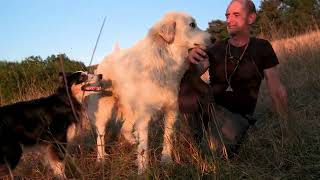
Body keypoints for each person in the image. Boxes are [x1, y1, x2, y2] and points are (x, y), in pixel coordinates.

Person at [179, 0, 287, 158]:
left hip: (237, 114)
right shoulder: (215, 48)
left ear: (250, 18)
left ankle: (212, 138)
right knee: (185, 81)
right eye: (227, 15)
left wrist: (286, 127)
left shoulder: (262, 47)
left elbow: (276, 88)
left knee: (212, 153)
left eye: (236, 15)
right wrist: (188, 58)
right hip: (211, 106)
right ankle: (191, 137)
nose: (229, 20)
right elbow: (190, 74)